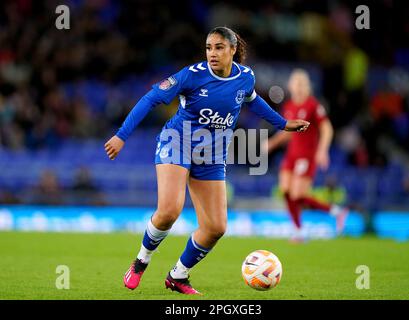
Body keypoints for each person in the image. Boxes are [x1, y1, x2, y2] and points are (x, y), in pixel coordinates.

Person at [104, 27, 309, 295]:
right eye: (209, 47)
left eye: (219, 47)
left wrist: (282, 124)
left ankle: (178, 276)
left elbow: (253, 101)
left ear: (233, 50)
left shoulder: (245, 77)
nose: (212, 53)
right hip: (177, 142)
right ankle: (141, 262)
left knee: (215, 227)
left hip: (211, 154)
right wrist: (121, 135)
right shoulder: (192, 75)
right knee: (169, 210)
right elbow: (151, 98)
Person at [264, 69, 348, 242]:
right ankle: (298, 229)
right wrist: (272, 143)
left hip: (306, 156)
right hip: (291, 155)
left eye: (303, 84)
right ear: (291, 86)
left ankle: (336, 212)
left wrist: (322, 149)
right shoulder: (289, 106)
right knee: (286, 190)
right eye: (296, 84)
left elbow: (327, 128)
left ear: (308, 86)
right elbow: (287, 132)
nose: (299, 87)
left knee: (297, 195)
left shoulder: (313, 105)